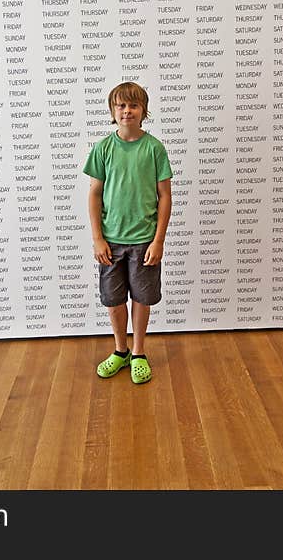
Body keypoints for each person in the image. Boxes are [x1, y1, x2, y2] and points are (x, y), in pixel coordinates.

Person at [82, 82, 173, 384]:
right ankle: (120, 350)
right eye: (120, 105)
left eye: (133, 105)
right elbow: (95, 194)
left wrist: (158, 240)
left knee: (142, 297)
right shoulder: (103, 149)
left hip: (145, 240)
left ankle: (138, 352)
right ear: (112, 111)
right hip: (111, 241)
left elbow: (165, 196)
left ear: (144, 111)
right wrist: (97, 237)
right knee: (114, 298)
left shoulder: (154, 148)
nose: (127, 111)